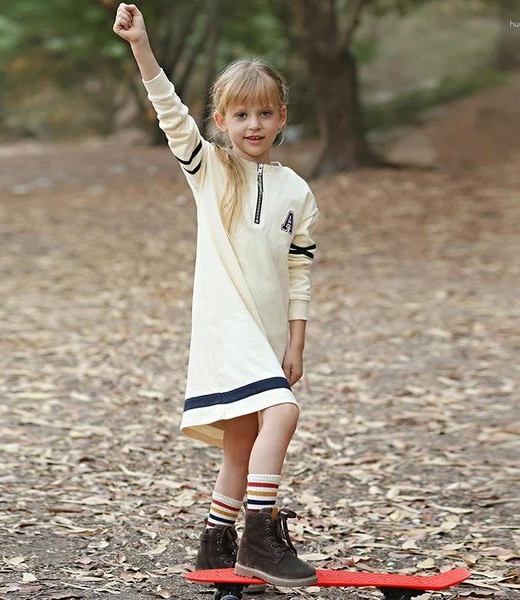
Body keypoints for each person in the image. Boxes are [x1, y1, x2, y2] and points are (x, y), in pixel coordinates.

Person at [113, 3, 320, 588]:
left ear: (281, 118)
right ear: (221, 120)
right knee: (282, 412)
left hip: (269, 332)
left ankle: (215, 545)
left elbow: (299, 274)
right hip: (225, 325)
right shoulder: (210, 172)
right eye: (239, 114)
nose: (252, 124)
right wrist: (142, 46)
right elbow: (169, 112)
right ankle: (260, 536)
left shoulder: (296, 191)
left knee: (241, 444)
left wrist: (296, 344)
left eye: (263, 113)